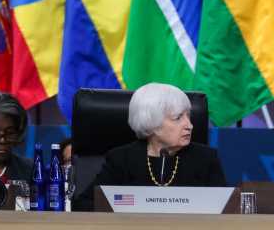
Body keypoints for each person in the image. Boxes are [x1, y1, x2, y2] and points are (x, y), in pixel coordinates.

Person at [74, 83, 226, 210]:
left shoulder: (206, 159)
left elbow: (226, 208)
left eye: (188, 116)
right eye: (178, 118)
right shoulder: (121, 160)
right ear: (152, 124)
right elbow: (86, 204)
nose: (190, 125)